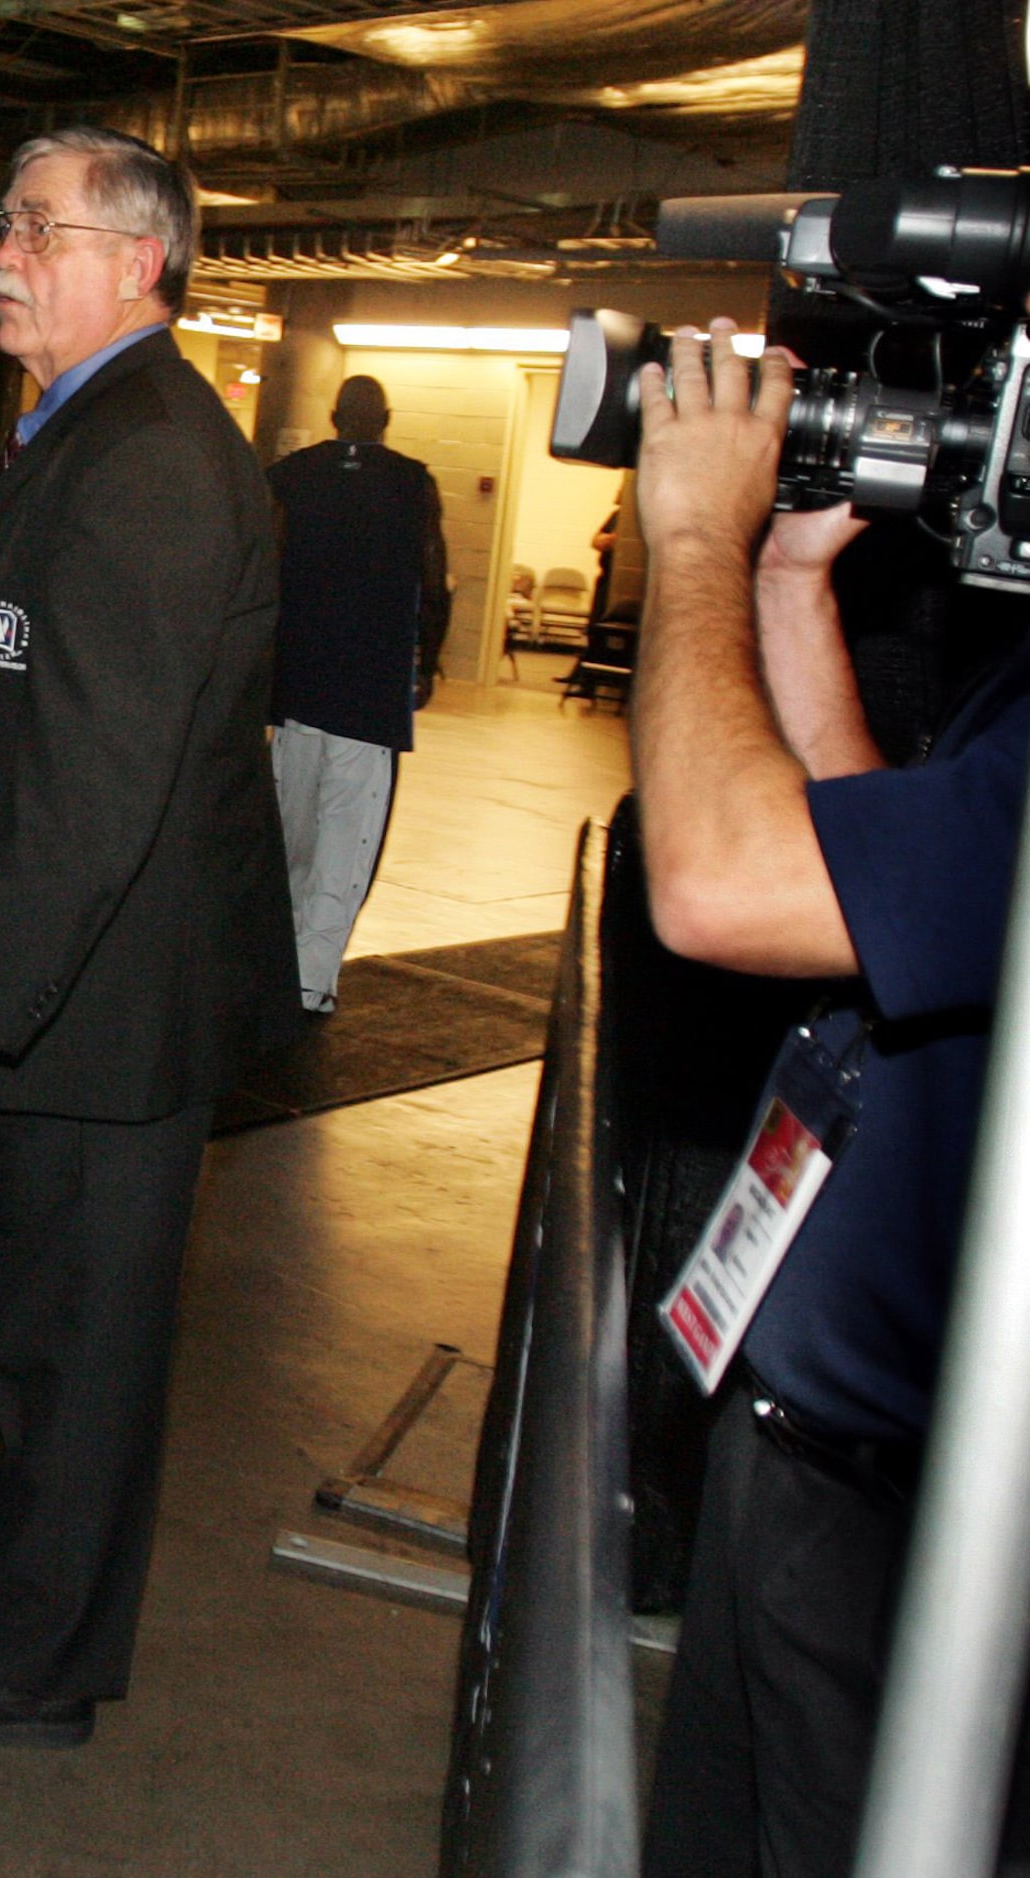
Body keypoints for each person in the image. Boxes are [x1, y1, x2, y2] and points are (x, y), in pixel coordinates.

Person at [0, 124, 298, 1748]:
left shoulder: (153, 455)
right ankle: (38, 1632)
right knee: (48, 1340)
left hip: (96, 1020)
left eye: (32, 226)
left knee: (71, 1359)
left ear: (135, 260)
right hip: (80, 1015)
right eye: (0, 221)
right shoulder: (91, 431)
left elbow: (96, 768)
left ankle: (18, 1665)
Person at [631, 319, 1030, 1875]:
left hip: (915, 1525)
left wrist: (691, 540)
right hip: (812, 1445)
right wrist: (789, 581)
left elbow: (726, 881)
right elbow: (870, 850)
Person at [266, 373, 451, 1012]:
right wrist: (429, 662)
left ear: (333, 414)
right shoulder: (413, 483)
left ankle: (269, 968)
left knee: (289, 838)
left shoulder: (290, 477)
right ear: (388, 419)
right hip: (370, 698)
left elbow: (262, 568)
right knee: (345, 848)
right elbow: (435, 579)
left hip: (295, 690)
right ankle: (311, 983)